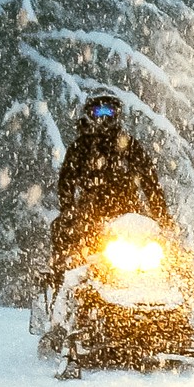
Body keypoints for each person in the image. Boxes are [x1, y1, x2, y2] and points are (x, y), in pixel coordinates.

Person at [49, 94, 173, 277]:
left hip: (128, 211)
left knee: (162, 247)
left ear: (117, 115)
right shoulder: (81, 146)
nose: (104, 118)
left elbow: (150, 180)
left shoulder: (128, 144)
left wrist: (161, 215)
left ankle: (175, 281)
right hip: (90, 212)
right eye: (98, 112)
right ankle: (63, 279)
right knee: (64, 234)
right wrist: (68, 209)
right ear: (90, 115)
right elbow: (66, 181)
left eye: (110, 112)